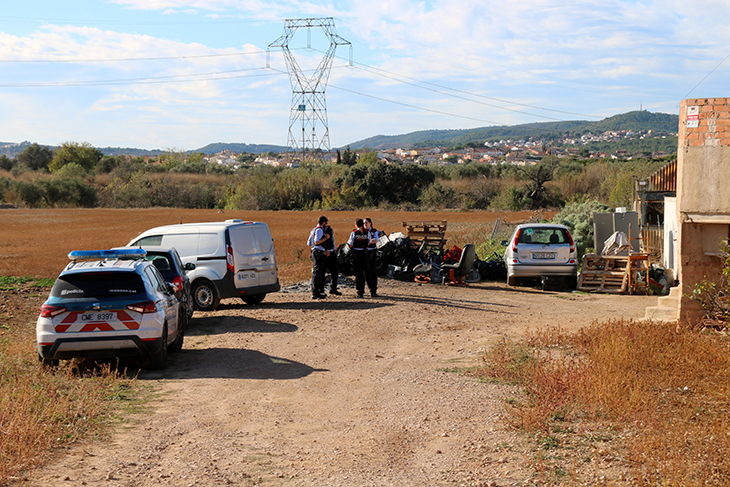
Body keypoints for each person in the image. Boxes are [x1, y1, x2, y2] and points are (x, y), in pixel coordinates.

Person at [347, 218, 377, 298]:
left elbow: (350, 244)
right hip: (365, 254)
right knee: (368, 273)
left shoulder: (354, 233)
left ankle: (360, 292)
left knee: (359, 274)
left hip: (357, 254)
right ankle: (372, 291)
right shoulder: (367, 233)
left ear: (356, 224)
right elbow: (369, 242)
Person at [308, 215, 330, 299]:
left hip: (314, 252)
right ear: (323, 223)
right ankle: (315, 292)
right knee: (317, 272)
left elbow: (309, 243)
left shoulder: (313, 230)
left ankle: (316, 291)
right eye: (326, 223)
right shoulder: (320, 230)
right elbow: (317, 242)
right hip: (318, 252)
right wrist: (326, 238)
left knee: (316, 272)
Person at [322, 219, 341, 295]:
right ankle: (321, 290)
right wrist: (325, 251)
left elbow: (332, 239)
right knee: (322, 272)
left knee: (334, 271)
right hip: (323, 253)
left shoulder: (330, 230)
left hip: (331, 252)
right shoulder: (319, 230)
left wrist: (334, 248)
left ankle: (333, 289)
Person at [363, 217, 381, 296]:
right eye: (364, 223)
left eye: (366, 223)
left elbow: (375, 240)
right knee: (365, 272)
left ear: (370, 223)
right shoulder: (361, 231)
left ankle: (373, 290)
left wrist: (367, 242)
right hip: (364, 253)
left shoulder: (374, 231)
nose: (365, 224)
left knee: (373, 271)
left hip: (372, 252)